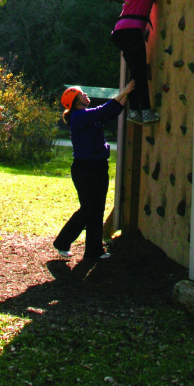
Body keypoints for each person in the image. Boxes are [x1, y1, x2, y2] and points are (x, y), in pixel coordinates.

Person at [53, 81, 134, 261]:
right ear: (75, 101)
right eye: (82, 94)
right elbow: (102, 111)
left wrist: (126, 97)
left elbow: (109, 113)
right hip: (85, 169)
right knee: (89, 209)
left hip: (98, 166)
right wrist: (123, 92)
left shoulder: (87, 117)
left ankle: (94, 250)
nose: (86, 95)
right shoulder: (78, 117)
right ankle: (62, 242)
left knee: (97, 209)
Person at [111, 0, 164, 124]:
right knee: (140, 72)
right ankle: (146, 112)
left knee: (136, 71)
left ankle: (134, 111)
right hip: (131, 32)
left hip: (122, 32)